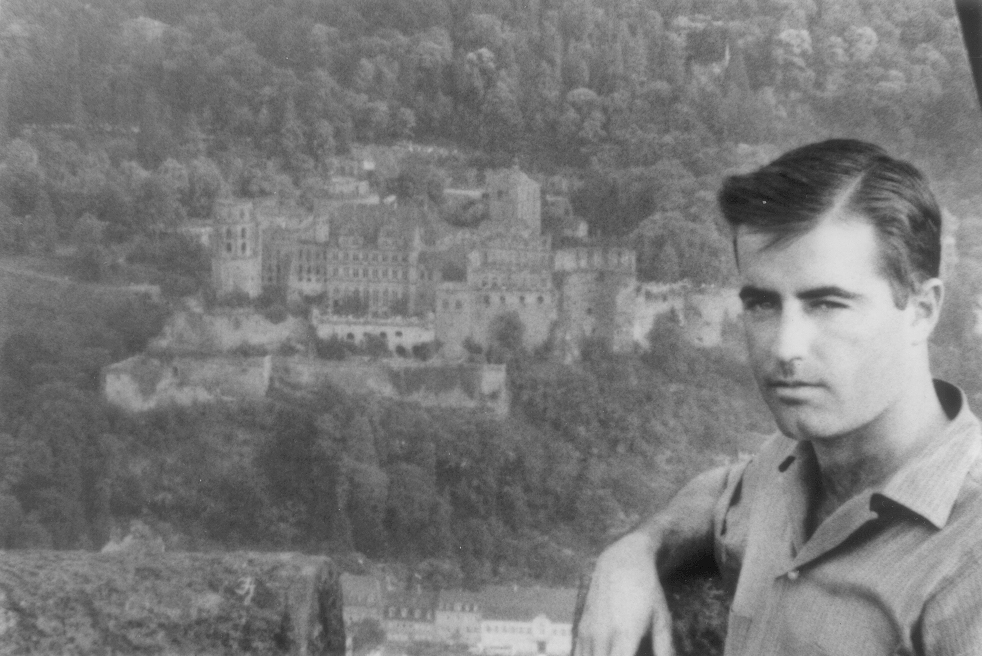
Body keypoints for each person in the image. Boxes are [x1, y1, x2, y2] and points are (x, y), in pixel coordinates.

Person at [574, 139, 982, 656]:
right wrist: (634, 552)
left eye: (828, 304)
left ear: (922, 309)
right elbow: (721, 493)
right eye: (763, 304)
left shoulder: (968, 560)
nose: (786, 348)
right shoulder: (788, 468)